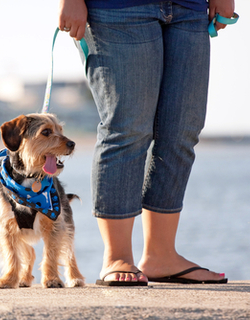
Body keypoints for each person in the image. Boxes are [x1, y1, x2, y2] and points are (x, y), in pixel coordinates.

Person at [58, 0, 234, 285]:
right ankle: (117, 257)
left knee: (181, 131)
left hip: (189, 8)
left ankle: (161, 256)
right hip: (116, 9)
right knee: (127, 129)